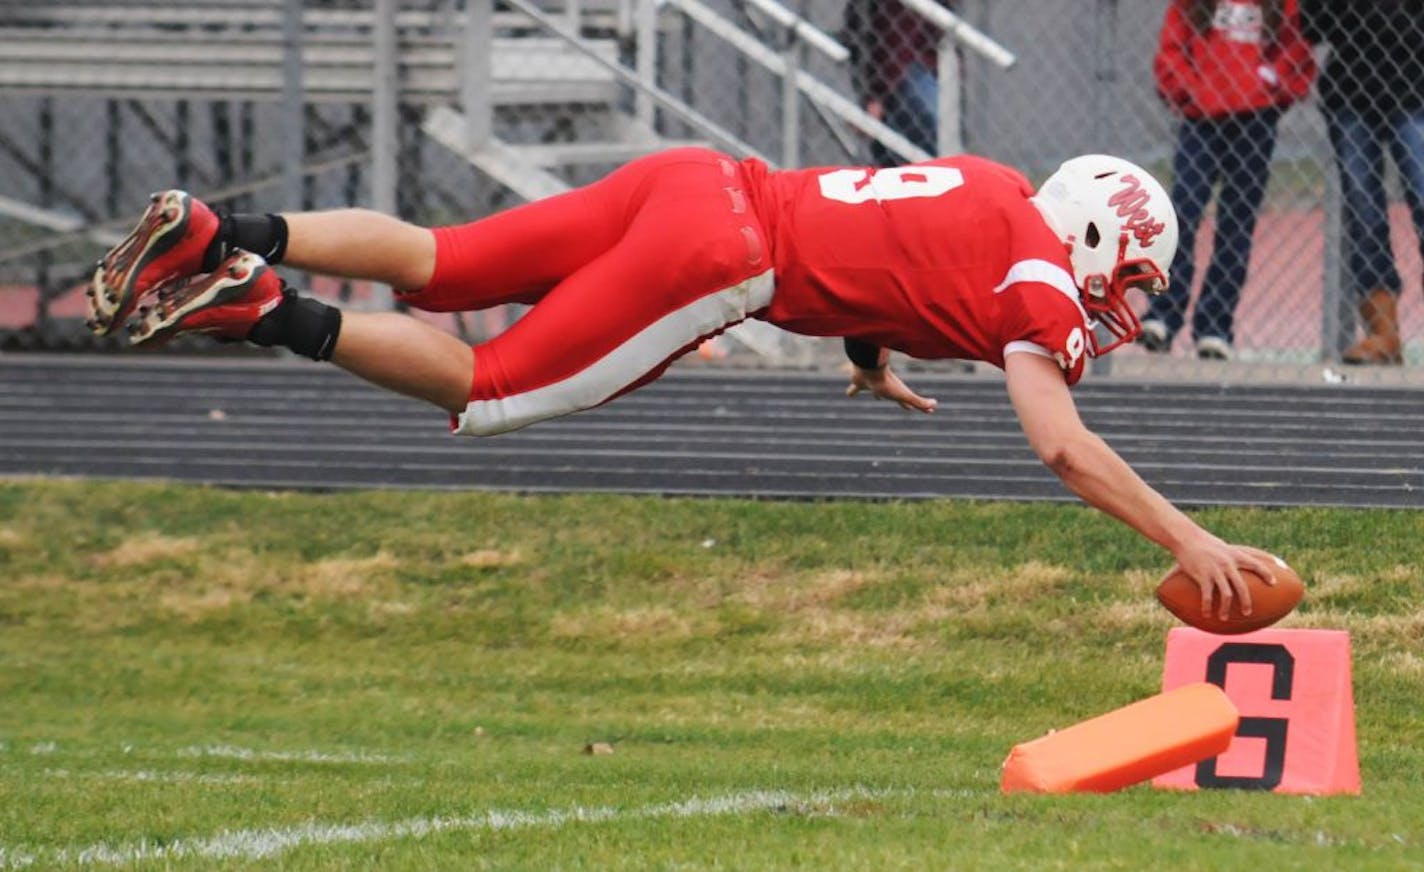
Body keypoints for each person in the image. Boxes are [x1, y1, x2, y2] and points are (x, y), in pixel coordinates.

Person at [87, 147, 1276, 615]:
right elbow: (1059, 444)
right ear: (1086, 245)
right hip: (723, 257)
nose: (1120, 298)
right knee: (486, 385)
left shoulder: (993, 181)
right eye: (1124, 273)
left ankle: (221, 225)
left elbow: (887, 246)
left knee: (442, 261)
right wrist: (1189, 538)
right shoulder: (1039, 286)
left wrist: (868, 355)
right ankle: (256, 306)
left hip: (700, 182)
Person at [1142, 0, 1315, 360]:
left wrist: (1269, 82)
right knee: (1181, 215)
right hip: (1200, 121)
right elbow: (1173, 48)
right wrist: (1190, 89)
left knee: (1236, 223)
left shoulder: (1282, 5)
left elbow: (1296, 50)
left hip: (1254, 122)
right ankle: (1163, 314)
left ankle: (1215, 326)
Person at [1301, 0, 1424, 365]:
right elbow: (1314, 23)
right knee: (1364, 212)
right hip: (1351, 96)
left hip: (1415, 91)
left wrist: (1375, 21)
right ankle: (1383, 334)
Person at [843, 0, 945, 167]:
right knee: (922, 160)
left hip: (907, 72)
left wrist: (876, 96)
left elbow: (896, 37)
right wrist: (876, 96)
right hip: (903, 74)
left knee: (922, 160)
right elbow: (894, 36)